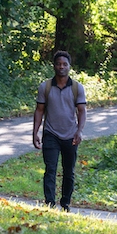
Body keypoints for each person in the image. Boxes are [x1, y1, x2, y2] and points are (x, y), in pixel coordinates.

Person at [32, 50, 87, 211]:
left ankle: (65, 203)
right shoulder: (45, 87)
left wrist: (79, 131)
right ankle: (49, 203)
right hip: (51, 134)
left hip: (71, 135)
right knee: (50, 169)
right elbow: (39, 110)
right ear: (54, 66)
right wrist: (35, 132)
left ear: (69, 67)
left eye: (64, 64)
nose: (61, 67)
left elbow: (82, 111)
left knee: (69, 172)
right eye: (58, 64)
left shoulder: (77, 88)